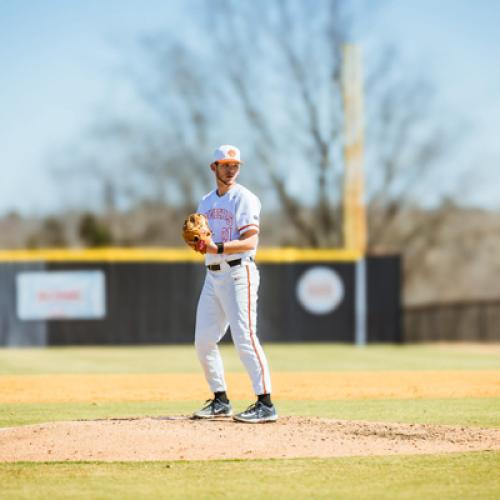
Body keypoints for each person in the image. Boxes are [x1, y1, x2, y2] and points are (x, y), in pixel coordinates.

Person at [192, 144, 277, 423]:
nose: (231, 169)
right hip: (212, 275)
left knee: (245, 337)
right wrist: (199, 244)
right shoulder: (205, 202)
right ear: (213, 167)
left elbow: (250, 241)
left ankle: (265, 403)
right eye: (225, 164)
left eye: (235, 165)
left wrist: (215, 247)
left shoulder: (245, 199)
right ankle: (220, 399)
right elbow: (203, 239)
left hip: (240, 273)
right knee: (204, 340)